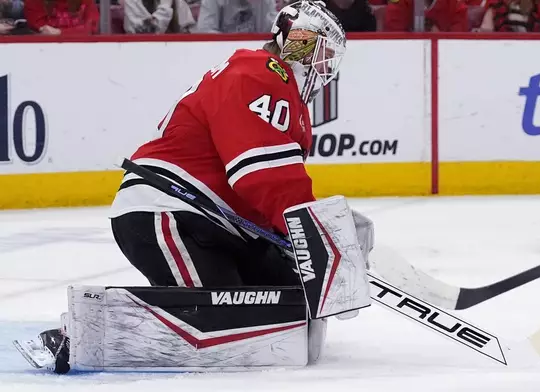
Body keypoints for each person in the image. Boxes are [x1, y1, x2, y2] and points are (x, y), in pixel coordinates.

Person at [15, 0, 373, 374]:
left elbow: (264, 192)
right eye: (318, 52)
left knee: (290, 309)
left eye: (329, 58)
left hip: (218, 224)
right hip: (170, 212)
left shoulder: (282, 91)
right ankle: (81, 333)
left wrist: (308, 246)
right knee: (230, 329)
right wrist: (315, 239)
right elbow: (265, 178)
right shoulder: (258, 76)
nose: (323, 67)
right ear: (294, 40)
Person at [196, 0, 276, 33]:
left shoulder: (265, 1)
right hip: (222, 55)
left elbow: (274, 31)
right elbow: (204, 30)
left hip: (257, 53)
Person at [23, 0, 98, 35]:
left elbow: (90, 30)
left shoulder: (87, 1)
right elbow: (42, 33)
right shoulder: (33, 2)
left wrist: (60, 33)